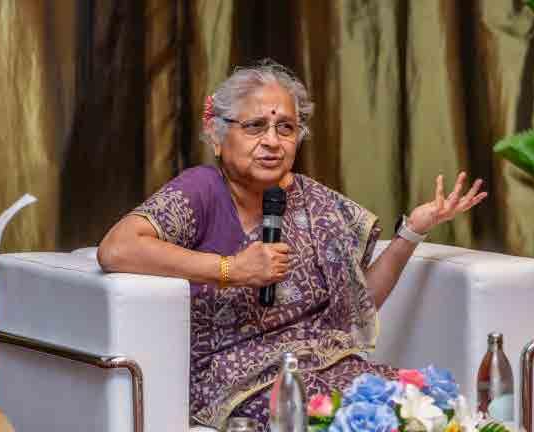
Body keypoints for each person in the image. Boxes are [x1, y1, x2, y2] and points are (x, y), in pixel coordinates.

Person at [97, 60, 487, 431]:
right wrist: (231, 269)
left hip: (329, 365)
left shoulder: (317, 202)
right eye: (254, 126)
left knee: (430, 409)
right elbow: (117, 249)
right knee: (329, 418)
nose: (272, 141)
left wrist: (413, 231)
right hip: (236, 379)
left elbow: (358, 304)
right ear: (217, 135)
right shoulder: (203, 190)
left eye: (285, 128)